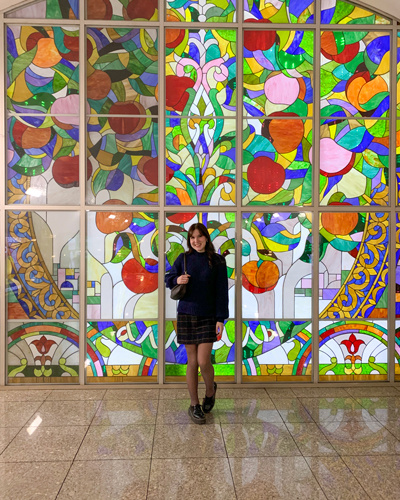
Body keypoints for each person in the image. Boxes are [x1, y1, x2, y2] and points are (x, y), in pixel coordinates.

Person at [165, 222, 229, 424]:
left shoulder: (217, 261)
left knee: (203, 361)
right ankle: (194, 405)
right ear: (189, 240)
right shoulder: (183, 258)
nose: (196, 241)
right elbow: (168, 278)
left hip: (208, 315)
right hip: (186, 314)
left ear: (206, 238)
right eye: (192, 238)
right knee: (191, 362)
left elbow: (221, 292)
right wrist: (177, 280)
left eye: (199, 237)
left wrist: (221, 318)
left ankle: (210, 391)